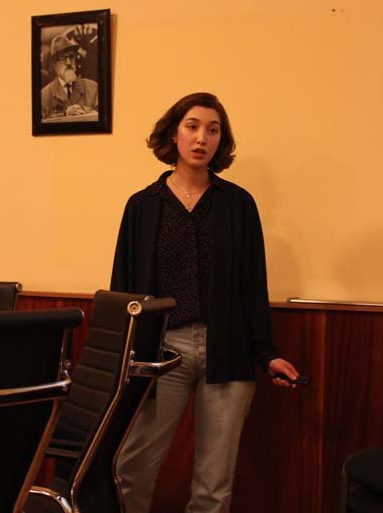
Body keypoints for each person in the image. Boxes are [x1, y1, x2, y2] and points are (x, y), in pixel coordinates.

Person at [111, 92, 300, 513]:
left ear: (221, 141)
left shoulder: (238, 205)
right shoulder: (143, 206)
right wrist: (123, 358)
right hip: (161, 353)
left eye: (213, 130)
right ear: (173, 134)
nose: (202, 138)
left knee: (214, 487)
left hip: (226, 350)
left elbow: (252, 286)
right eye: (193, 126)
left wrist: (266, 354)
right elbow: (124, 288)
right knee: (131, 471)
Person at [39, 33, 98, 119]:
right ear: (54, 64)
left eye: (71, 57)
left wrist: (83, 110)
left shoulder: (92, 87)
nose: (69, 62)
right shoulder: (44, 96)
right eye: (63, 58)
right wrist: (64, 115)